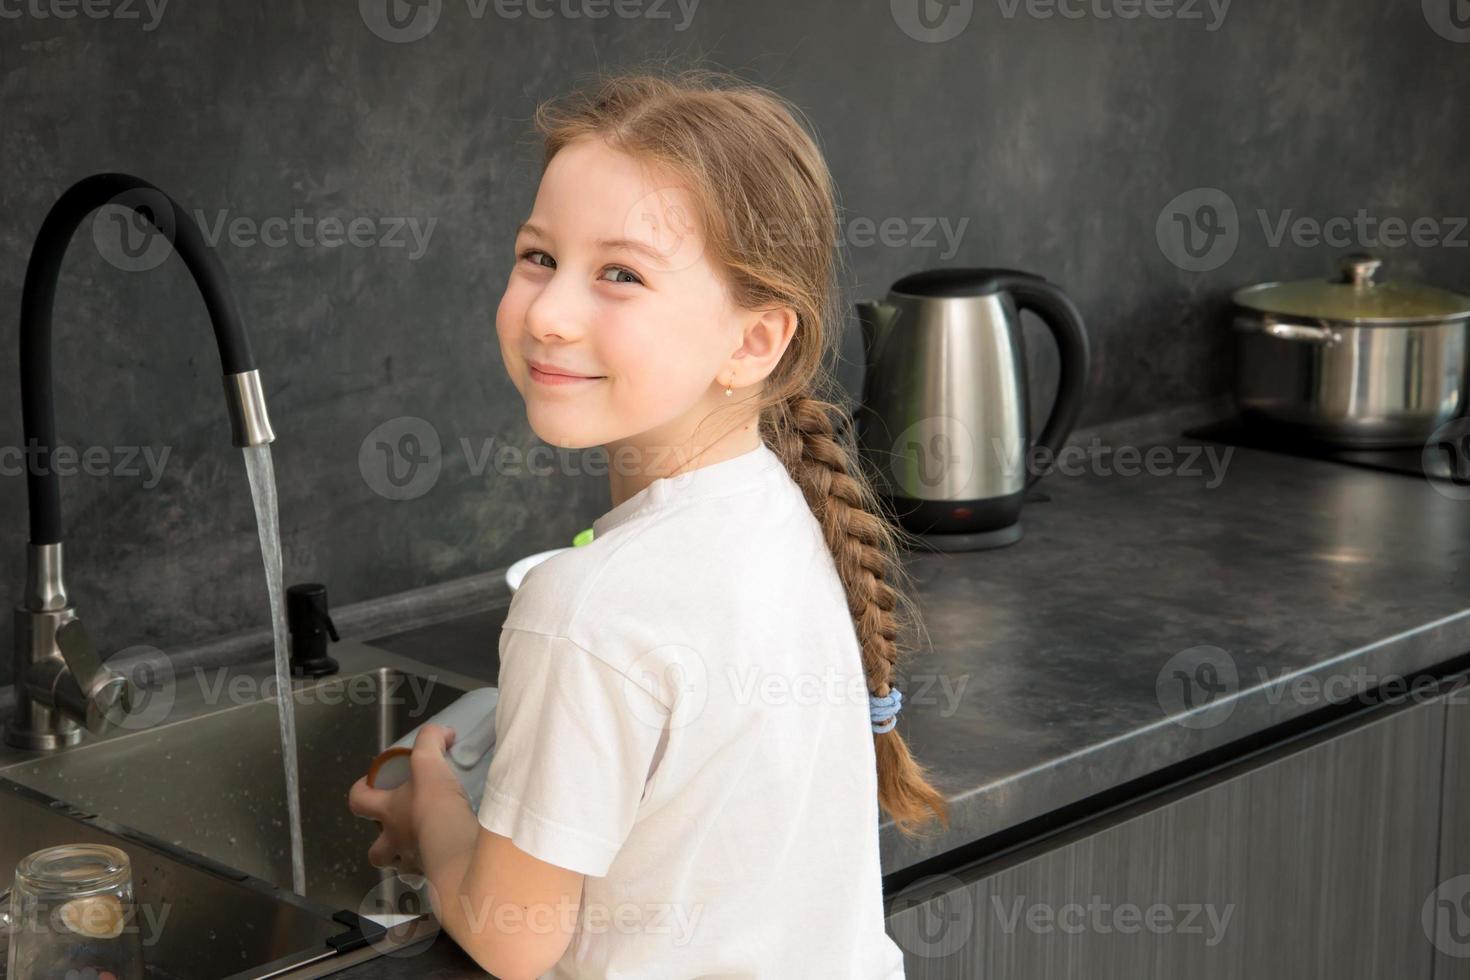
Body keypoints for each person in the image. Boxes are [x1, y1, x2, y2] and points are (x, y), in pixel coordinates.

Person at [348, 66, 949, 979]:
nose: (549, 313)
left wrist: (433, 805)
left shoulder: (584, 606)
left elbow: (512, 937)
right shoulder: (787, 510)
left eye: (619, 274)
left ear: (755, 340)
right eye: (539, 257)